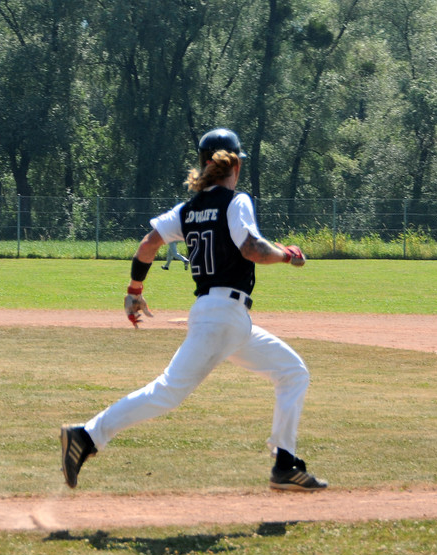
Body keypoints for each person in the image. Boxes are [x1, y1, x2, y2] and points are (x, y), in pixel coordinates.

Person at [60, 128, 327, 491]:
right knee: (167, 392)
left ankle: (285, 463)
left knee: (292, 371)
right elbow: (251, 248)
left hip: (223, 318)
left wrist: (135, 290)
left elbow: (148, 244)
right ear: (234, 165)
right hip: (223, 318)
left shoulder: (188, 210)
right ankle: (87, 435)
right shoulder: (236, 201)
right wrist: (286, 255)